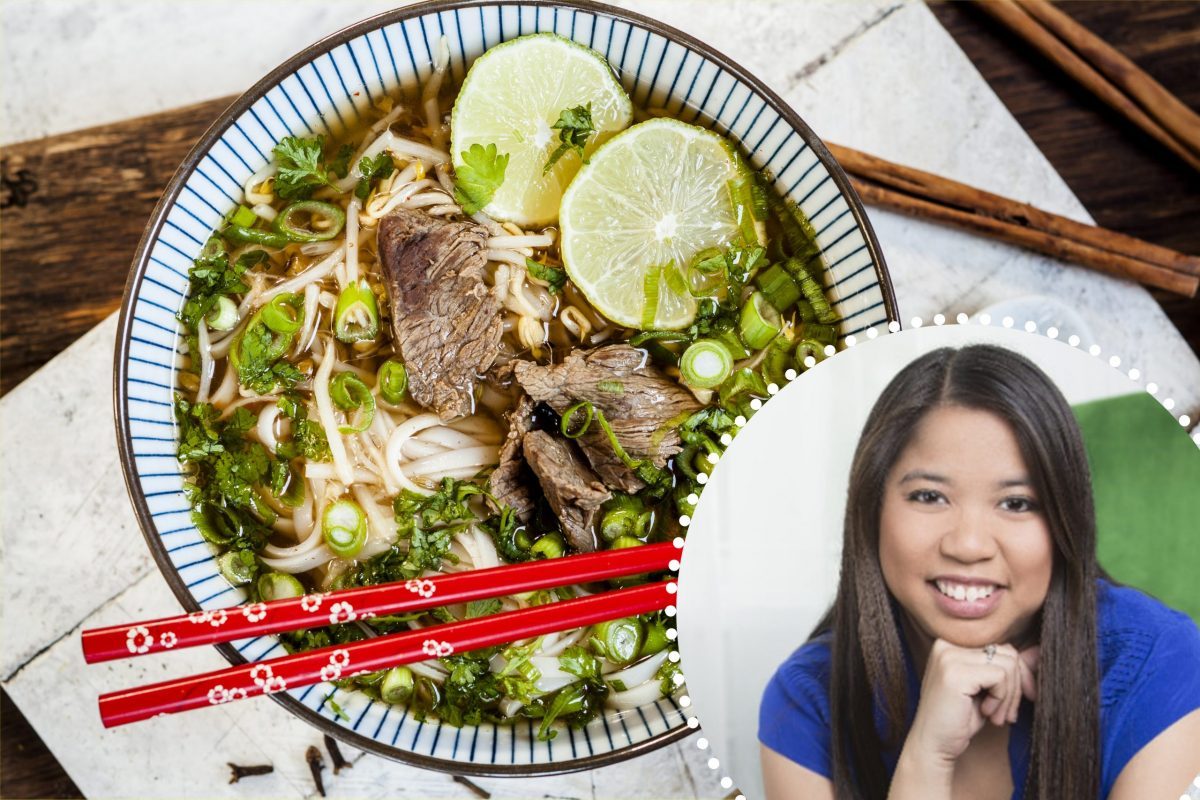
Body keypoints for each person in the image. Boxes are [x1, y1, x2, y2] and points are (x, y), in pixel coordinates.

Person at [758, 344, 1200, 799]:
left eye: (1017, 504)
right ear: (871, 509)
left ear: (1067, 520)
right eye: (929, 496)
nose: (968, 545)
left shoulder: (1158, 662)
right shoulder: (806, 700)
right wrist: (925, 758)